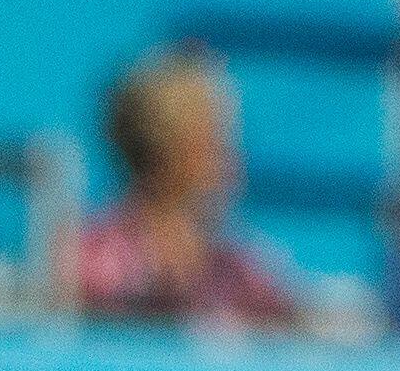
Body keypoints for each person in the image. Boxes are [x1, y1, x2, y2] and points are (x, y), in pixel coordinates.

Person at [73, 49, 304, 333]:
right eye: (216, 143)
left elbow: (298, 327)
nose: (233, 160)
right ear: (164, 153)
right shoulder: (90, 263)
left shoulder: (240, 272)